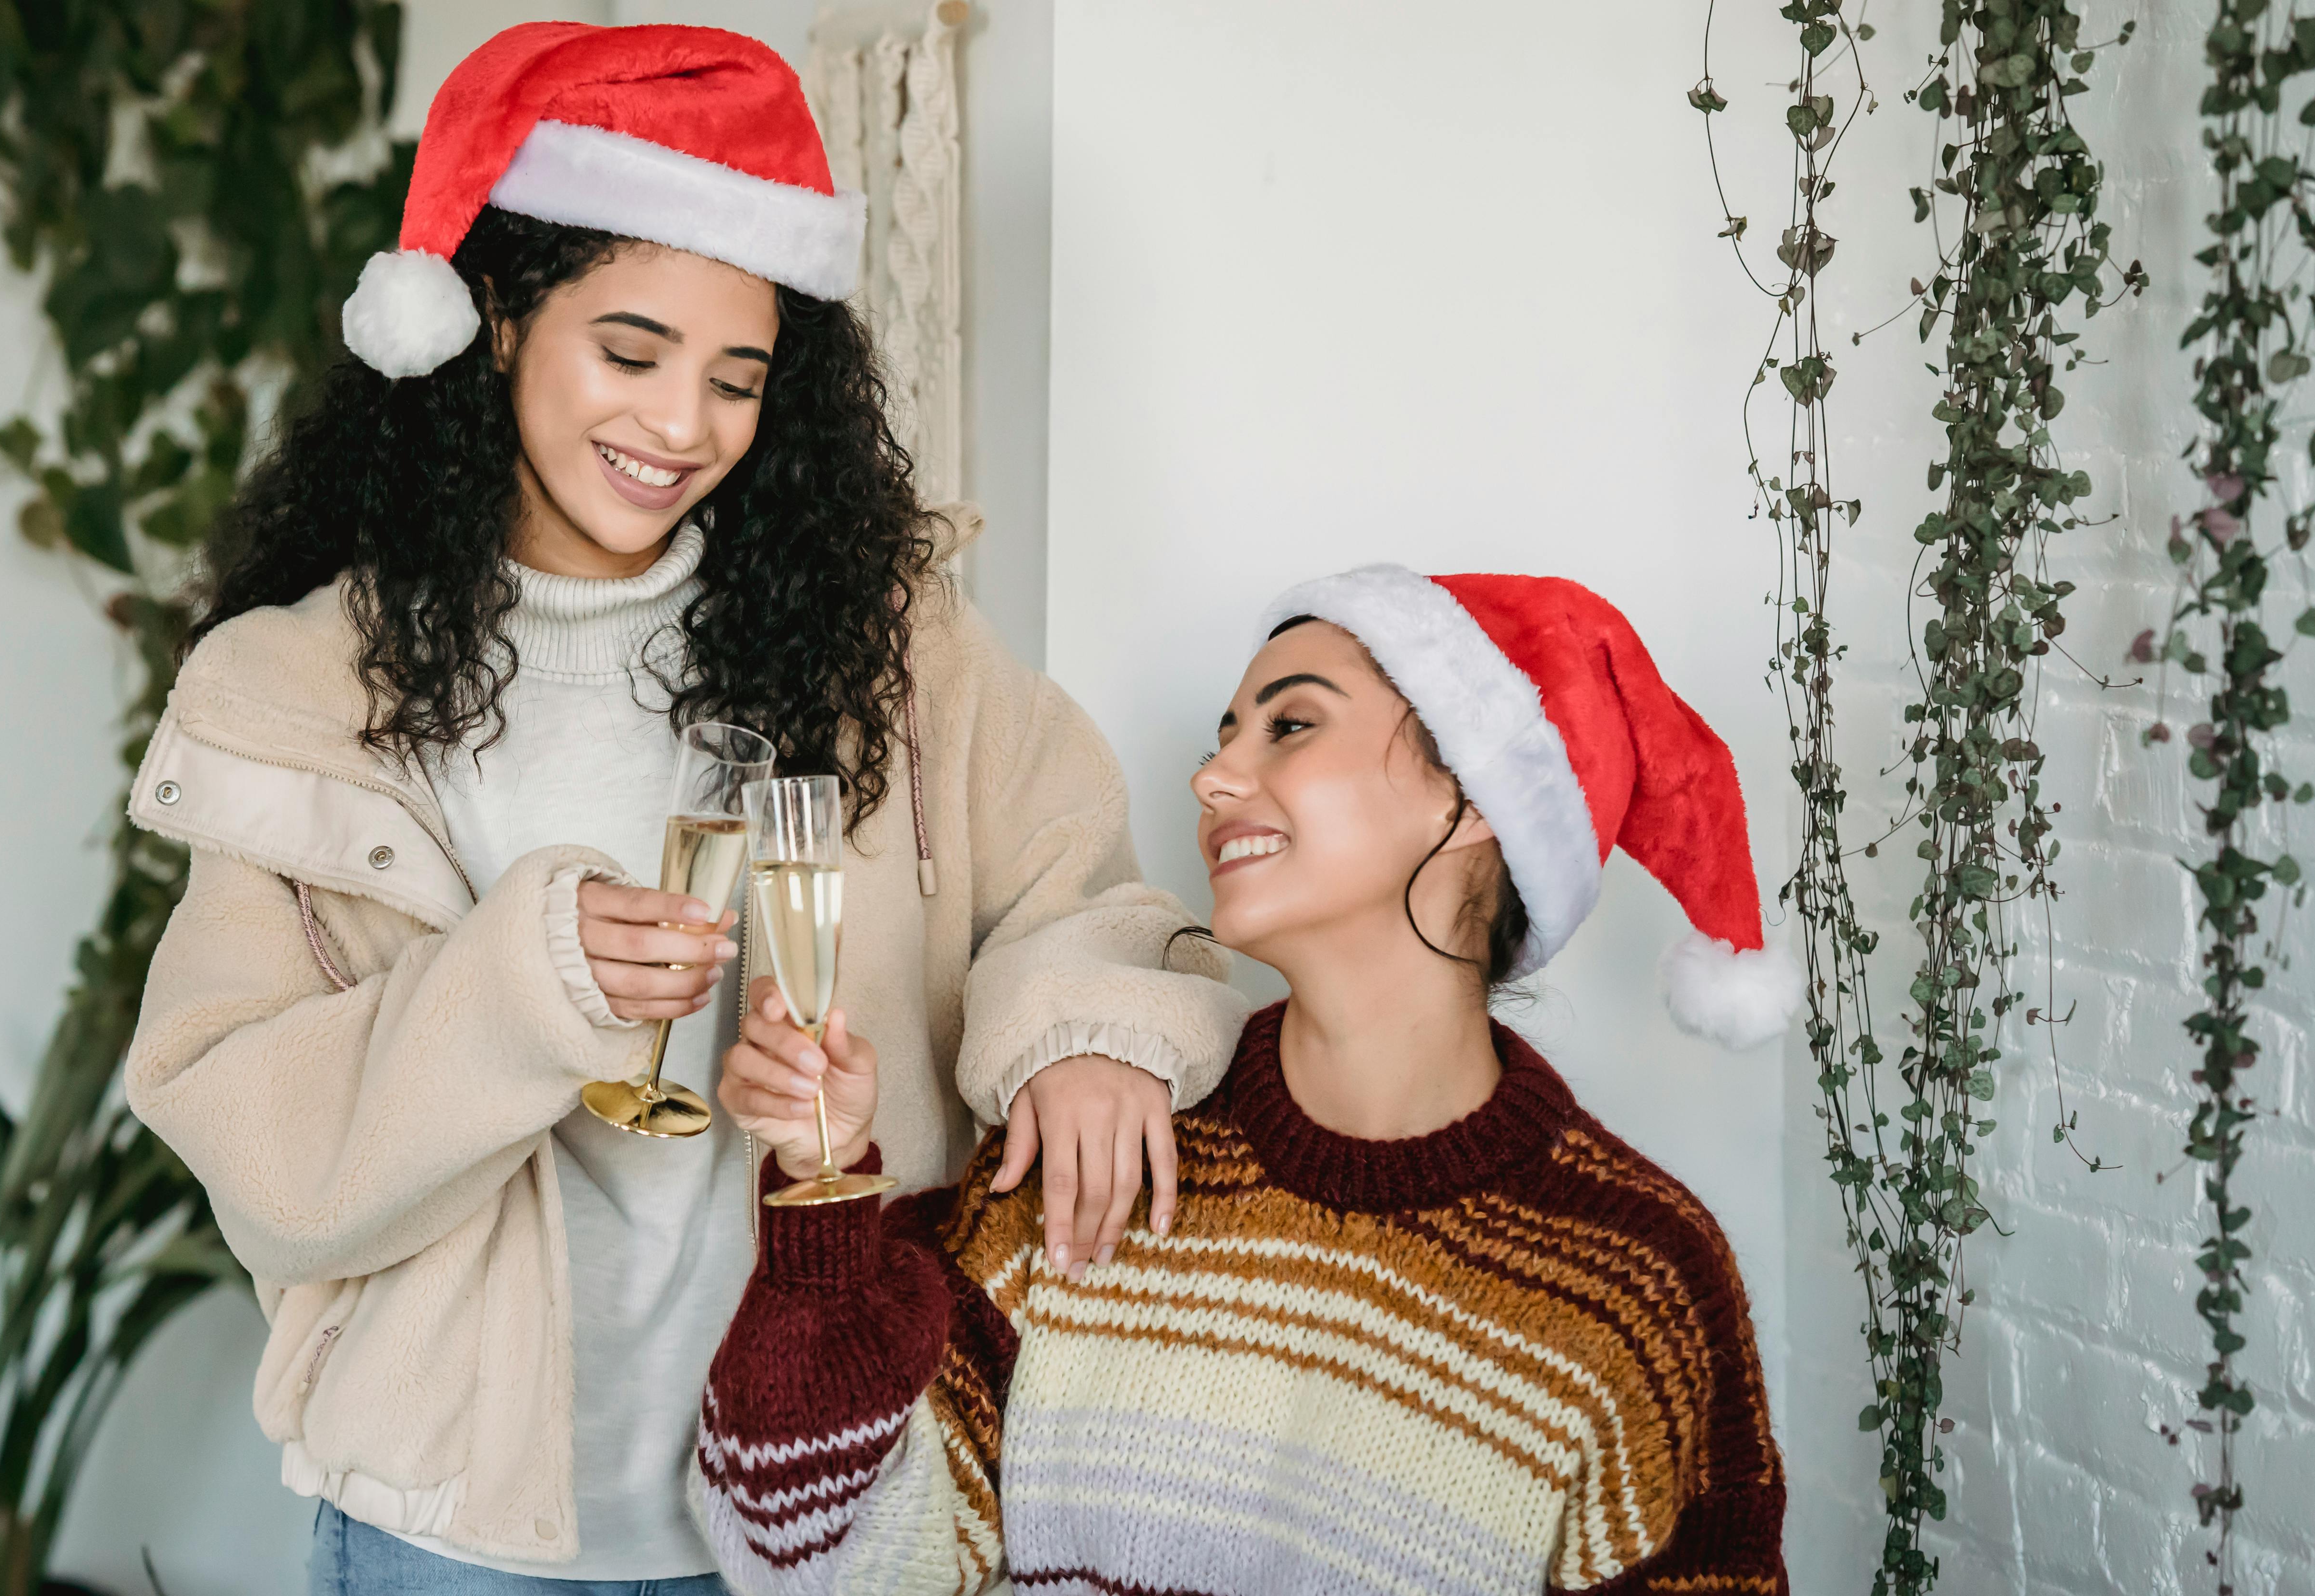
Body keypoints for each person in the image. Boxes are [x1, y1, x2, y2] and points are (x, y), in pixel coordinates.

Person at [122, 23, 1246, 1593]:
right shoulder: (305, 689)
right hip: (455, 1527)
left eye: (737, 379)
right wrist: (534, 984)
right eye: (630, 354)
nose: (680, 428)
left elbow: (1082, 896)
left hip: (823, 1502)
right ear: (500, 320)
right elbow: (250, 1130)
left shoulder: (887, 641)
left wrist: (1086, 1041)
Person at [698, 564, 1799, 1595]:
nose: (1213, 774)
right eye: (1229, 733)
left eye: (1292, 725)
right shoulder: (1102, 1163)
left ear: (1470, 804)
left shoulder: (1636, 1279)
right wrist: (818, 1185)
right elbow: (812, 1562)